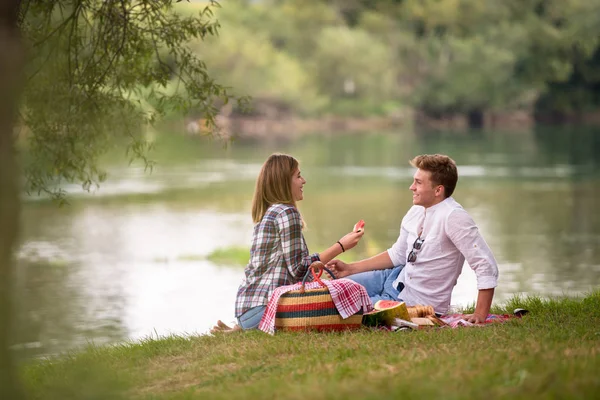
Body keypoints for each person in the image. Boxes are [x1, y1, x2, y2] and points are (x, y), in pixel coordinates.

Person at [327, 154, 499, 324]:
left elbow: (485, 264)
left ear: (438, 190)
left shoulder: (454, 217)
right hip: (393, 277)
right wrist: (350, 268)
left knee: (335, 308)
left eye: (418, 182)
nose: (411, 187)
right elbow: (398, 254)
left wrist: (480, 313)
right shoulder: (416, 209)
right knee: (330, 292)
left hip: (416, 304)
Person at [211, 153, 364, 333]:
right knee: (347, 293)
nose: (304, 181)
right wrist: (341, 246)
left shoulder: (269, 213)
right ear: (284, 182)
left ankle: (242, 329)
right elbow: (299, 269)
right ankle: (250, 329)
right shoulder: (287, 213)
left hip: (247, 309)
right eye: (298, 176)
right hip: (265, 309)